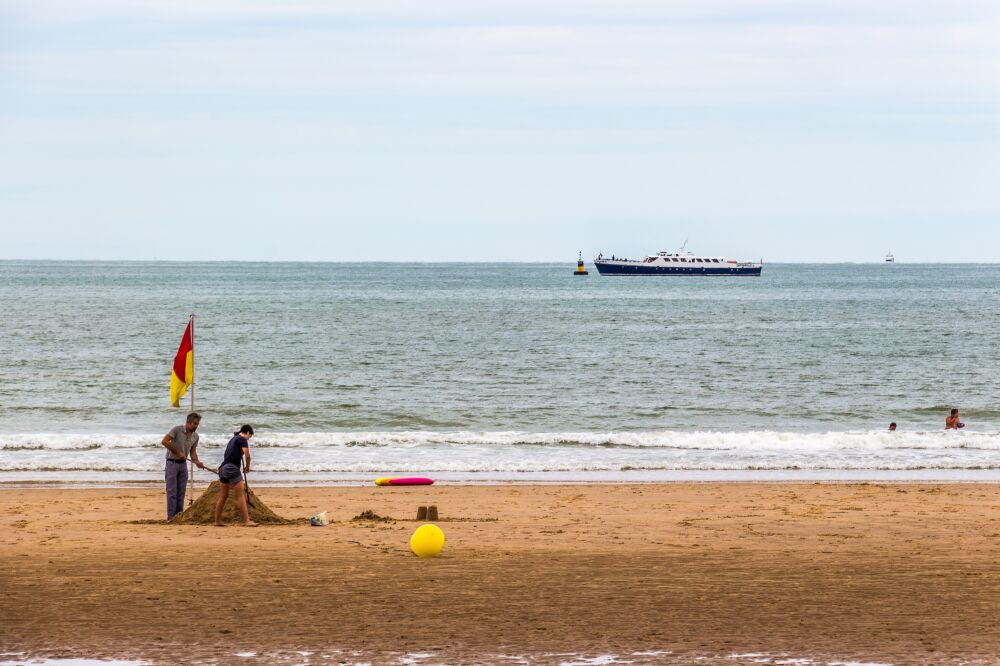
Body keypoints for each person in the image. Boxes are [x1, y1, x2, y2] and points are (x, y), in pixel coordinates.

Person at [161, 412, 205, 520]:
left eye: (197, 424)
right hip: (172, 463)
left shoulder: (196, 436)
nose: (196, 426)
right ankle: (171, 517)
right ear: (188, 422)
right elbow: (165, 441)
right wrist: (177, 452)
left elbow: (193, 452)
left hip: (183, 465)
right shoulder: (177, 429)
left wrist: (197, 462)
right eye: (194, 424)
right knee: (172, 491)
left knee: (181, 491)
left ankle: (179, 516)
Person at [214, 425, 258, 527]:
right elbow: (247, 456)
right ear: (247, 432)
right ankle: (247, 521)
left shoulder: (233, 439)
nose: (248, 438)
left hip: (223, 468)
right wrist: (247, 467)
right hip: (231, 468)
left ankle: (217, 521)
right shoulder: (242, 439)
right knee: (241, 495)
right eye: (249, 436)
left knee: (223, 496)